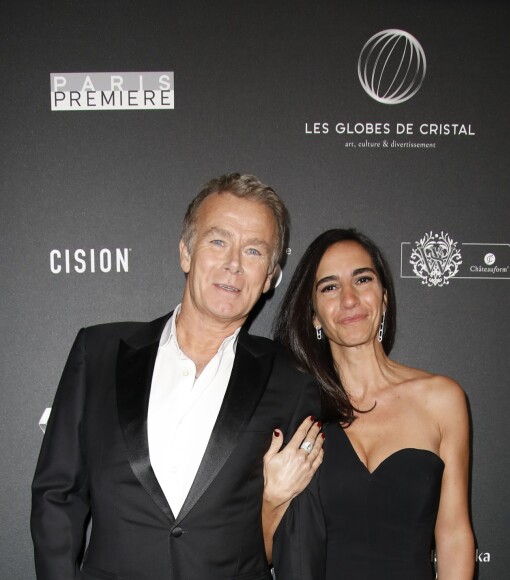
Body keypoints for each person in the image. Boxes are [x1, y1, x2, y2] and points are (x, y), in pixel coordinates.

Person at [30, 173, 322, 580]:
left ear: (270, 277)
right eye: (218, 241)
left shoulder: (291, 379)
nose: (233, 264)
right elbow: (57, 495)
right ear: (186, 252)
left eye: (254, 251)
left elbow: (298, 534)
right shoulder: (97, 352)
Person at [269, 228, 475, 579]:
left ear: (384, 298)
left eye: (362, 280)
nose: (349, 299)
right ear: (315, 315)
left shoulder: (442, 399)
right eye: (330, 287)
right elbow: (265, 552)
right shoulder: (296, 408)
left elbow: (454, 535)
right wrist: (273, 496)